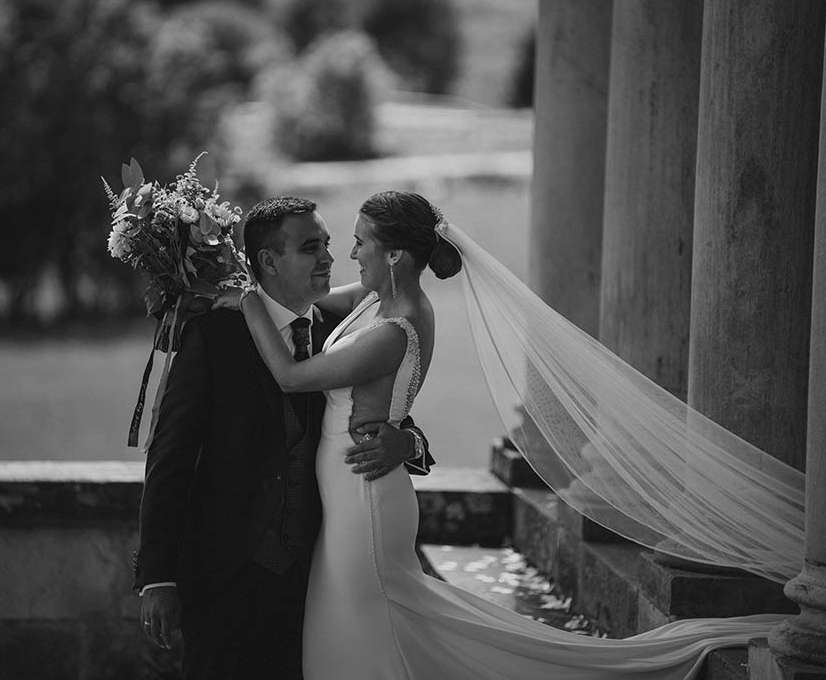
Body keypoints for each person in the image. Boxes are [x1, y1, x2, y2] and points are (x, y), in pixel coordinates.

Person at [214, 190, 789, 679]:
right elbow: (308, 304)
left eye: (360, 241)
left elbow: (292, 378)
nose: (348, 251)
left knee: (364, 628)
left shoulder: (395, 327)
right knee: (356, 624)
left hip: (363, 500)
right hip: (350, 492)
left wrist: (243, 302)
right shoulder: (376, 299)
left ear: (393, 255)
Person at [134, 196, 434, 680]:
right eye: (310, 247)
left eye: (330, 245)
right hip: (225, 573)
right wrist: (158, 576)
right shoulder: (214, 336)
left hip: (315, 573)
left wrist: (409, 445)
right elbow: (169, 457)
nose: (330, 259)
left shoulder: (343, 330)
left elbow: (383, 410)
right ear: (268, 261)